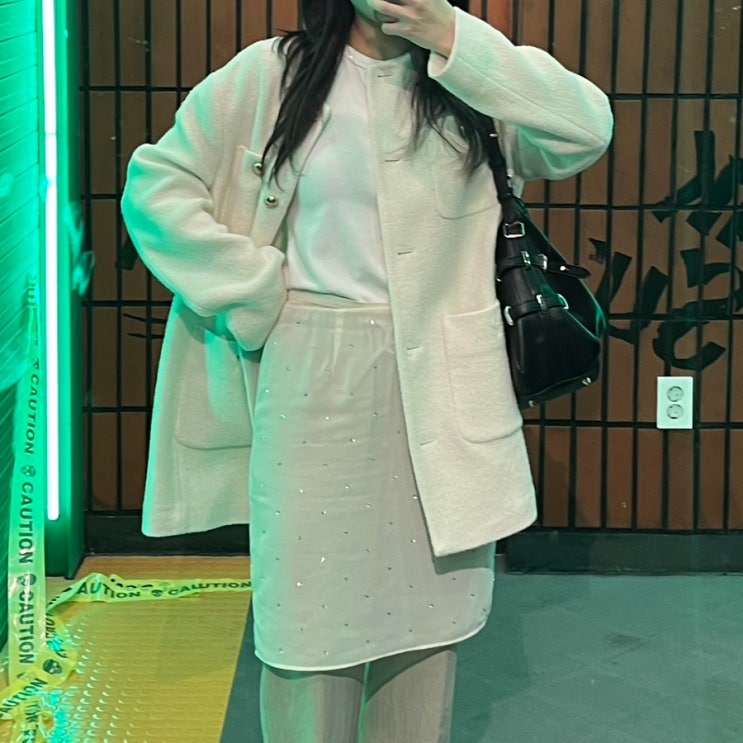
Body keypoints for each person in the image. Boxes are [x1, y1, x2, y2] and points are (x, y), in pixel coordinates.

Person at [120, 0, 613, 740]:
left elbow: (585, 129)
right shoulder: (272, 75)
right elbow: (156, 186)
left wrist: (451, 36)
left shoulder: (469, 82)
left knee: (425, 637)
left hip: (442, 387)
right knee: (306, 630)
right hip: (313, 380)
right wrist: (252, 290)